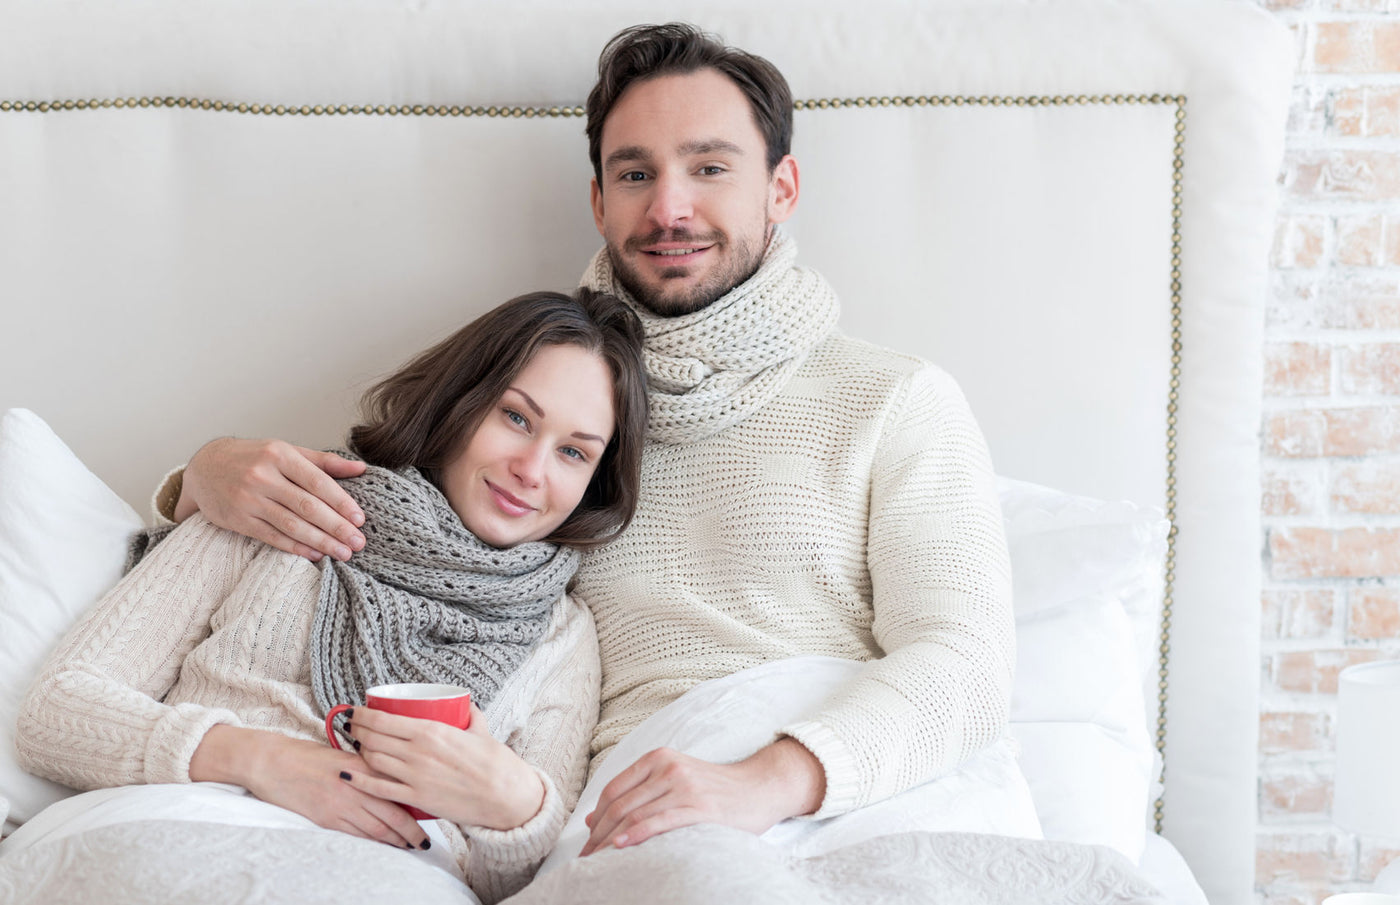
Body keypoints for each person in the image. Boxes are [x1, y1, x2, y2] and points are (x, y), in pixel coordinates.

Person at [153, 22, 1014, 861]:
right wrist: (195, 478)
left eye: (710, 167)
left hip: (857, 784)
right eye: (635, 173)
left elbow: (966, 662)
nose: (669, 207)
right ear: (599, 201)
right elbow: (394, 516)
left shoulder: (896, 399)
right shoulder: (540, 398)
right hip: (640, 817)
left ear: (781, 188)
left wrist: (764, 781)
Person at [13, 288, 647, 904]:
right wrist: (260, 760)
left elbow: (535, 881)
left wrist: (514, 806)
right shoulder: (285, 508)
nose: (532, 470)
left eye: (572, 452)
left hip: (389, 879)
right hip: (171, 834)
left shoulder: (561, 632)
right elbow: (55, 717)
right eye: (516, 417)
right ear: (460, 404)